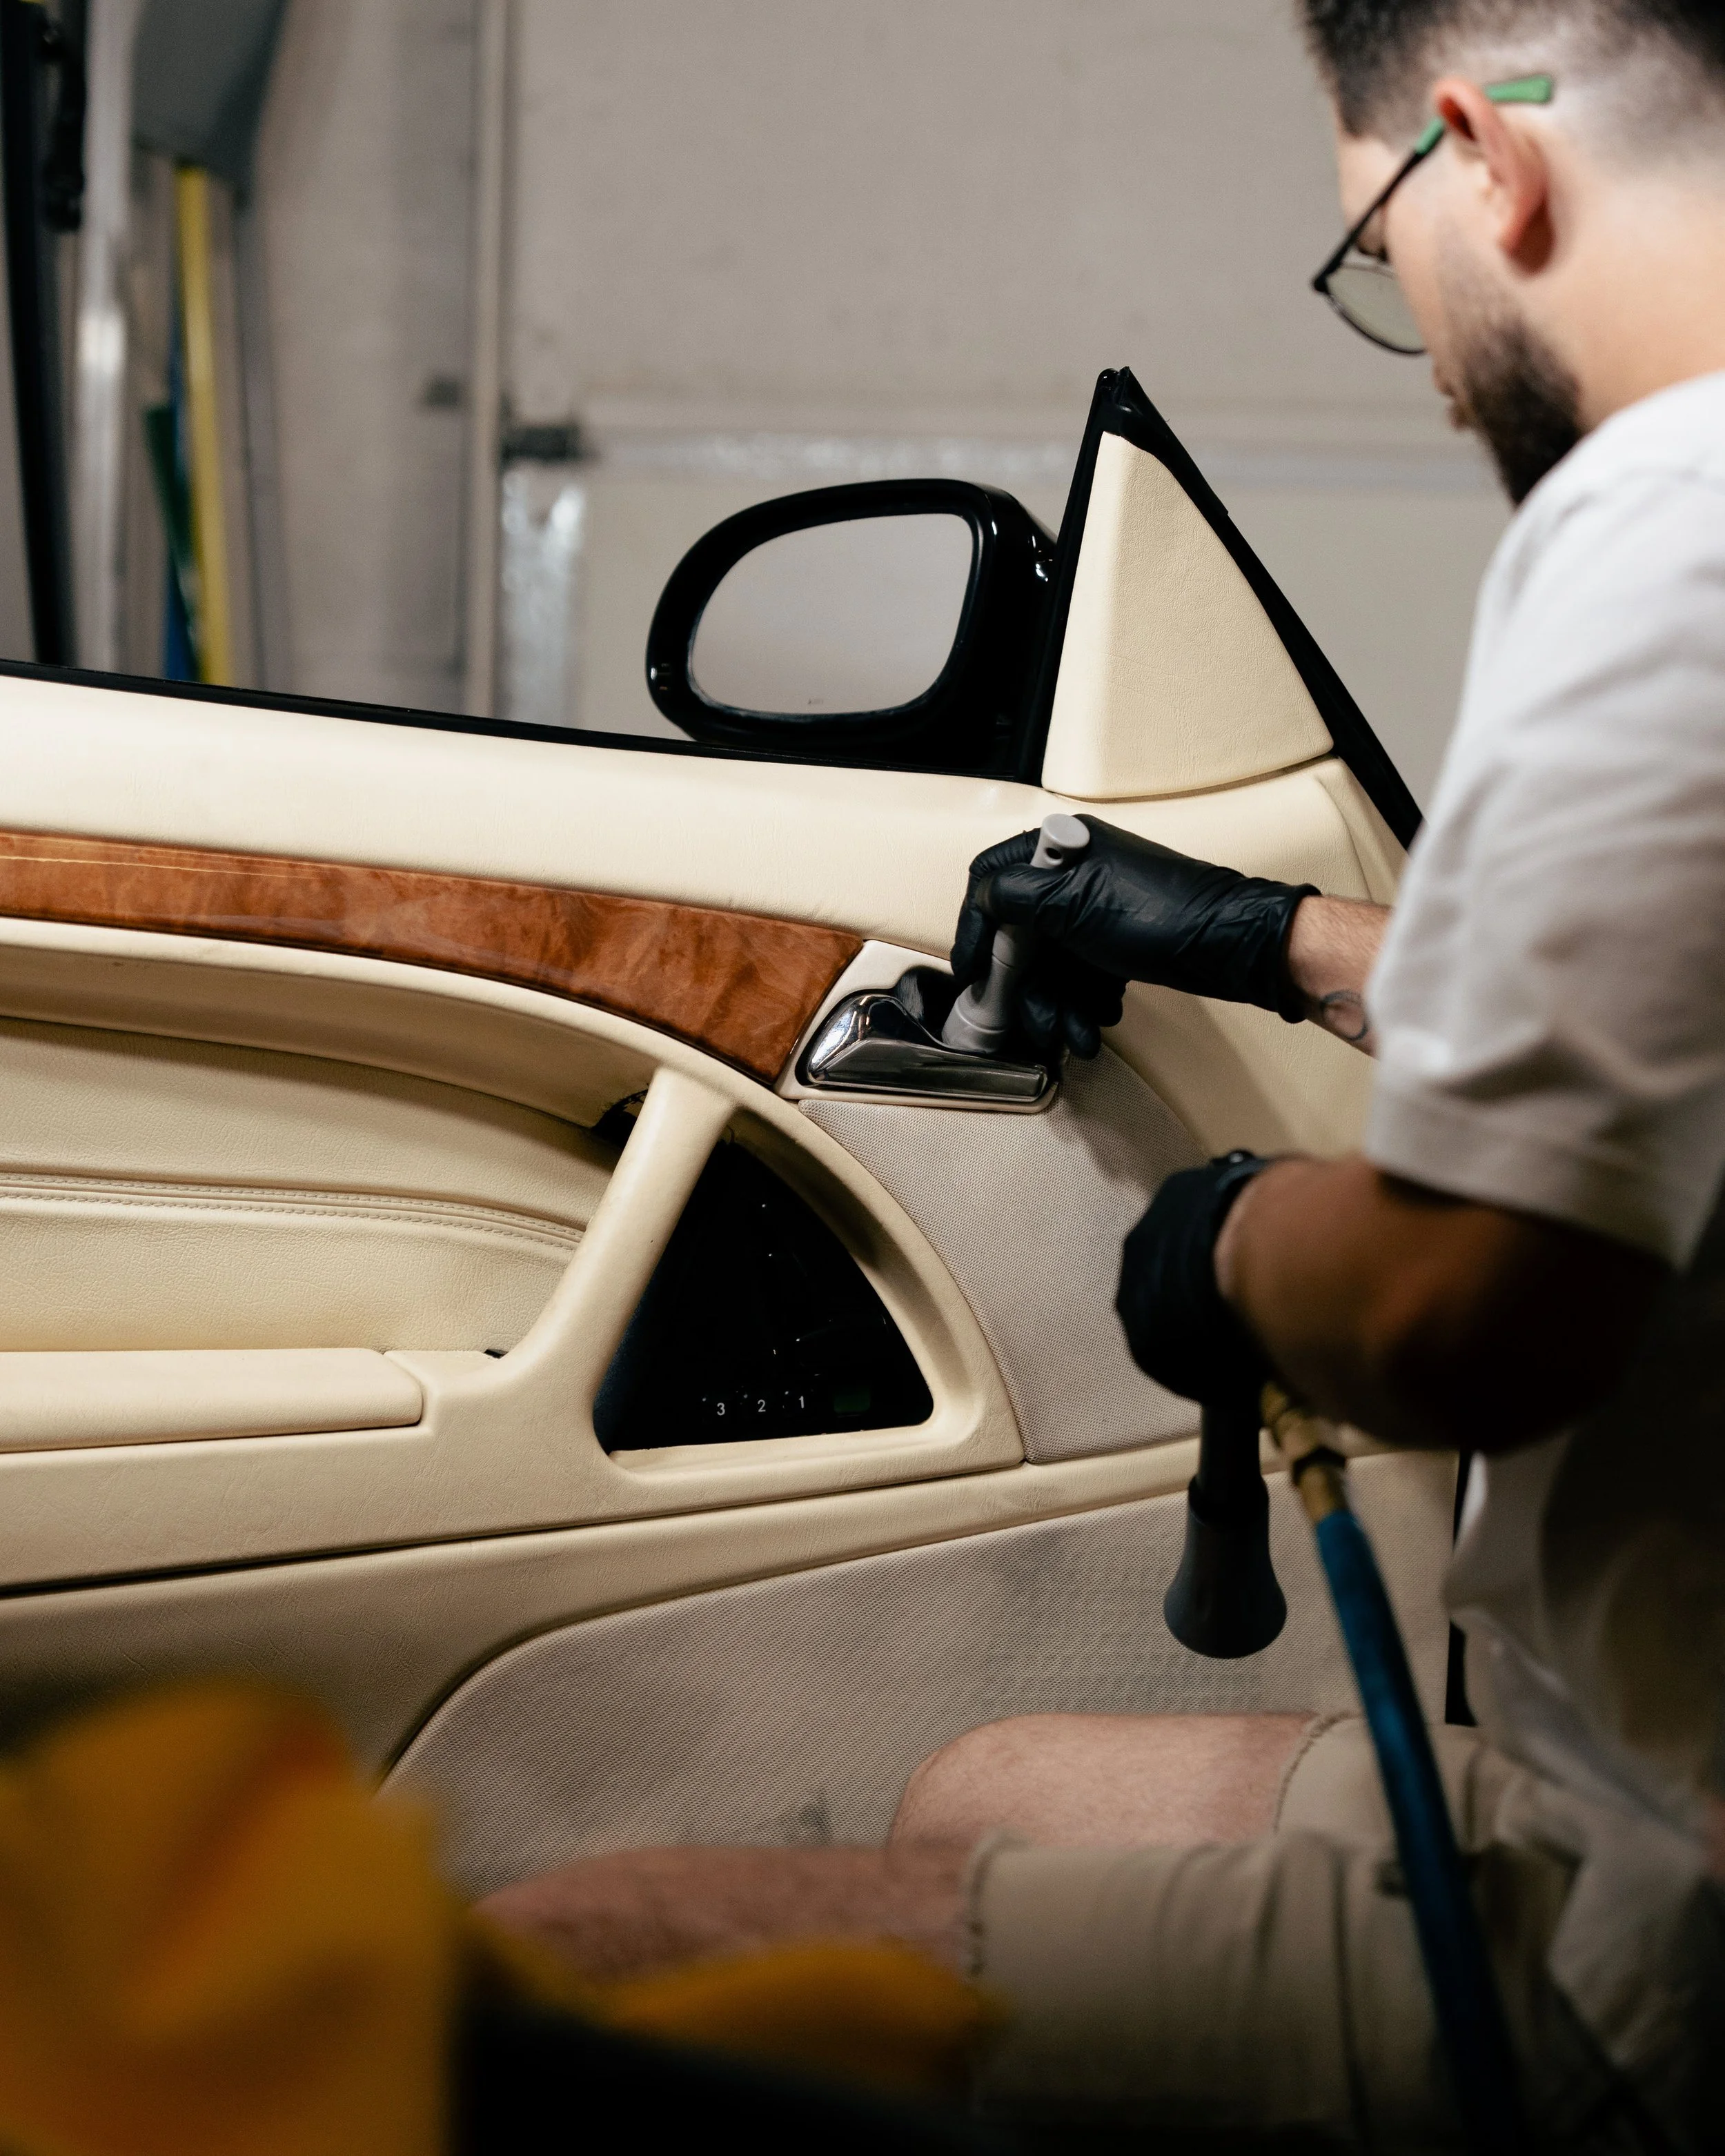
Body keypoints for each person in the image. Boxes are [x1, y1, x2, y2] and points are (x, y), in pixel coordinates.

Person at [481, 2, 1725, 2143]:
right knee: (986, 1784)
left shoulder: (1664, 526)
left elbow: (1469, 1305)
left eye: (1377, 261)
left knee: (581, 1966)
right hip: (1613, 1746)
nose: (1426, 360)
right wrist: (1272, 939)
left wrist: (1225, 1243)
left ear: (1477, 152)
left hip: (1650, 1937)